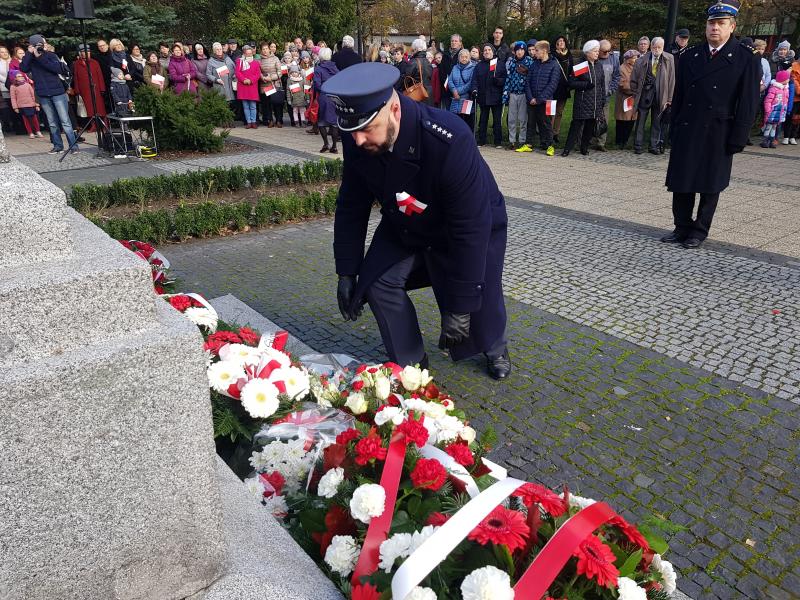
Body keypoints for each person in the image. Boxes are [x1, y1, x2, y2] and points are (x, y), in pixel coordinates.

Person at [323, 62, 511, 379]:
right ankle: (411, 364)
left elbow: (470, 226)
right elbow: (351, 203)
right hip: (410, 221)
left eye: (367, 129)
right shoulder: (359, 135)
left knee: (479, 292)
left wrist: (459, 306)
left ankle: (495, 347)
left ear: (394, 109)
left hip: (468, 225)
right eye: (352, 131)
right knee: (378, 282)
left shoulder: (450, 138)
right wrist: (347, 269)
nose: (356, 141)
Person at [663, 0, 760, 249]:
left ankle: (699, 229)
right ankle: (681, 225)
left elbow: (748, 103)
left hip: (718, 130)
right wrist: (673, 127)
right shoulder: (691, 55)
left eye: (720, 23)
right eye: (711, 23)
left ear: (732, 26)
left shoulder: (745, 59)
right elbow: (681, 95)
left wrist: (739, 137)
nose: (714, 28)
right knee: (682, 180)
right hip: (688, 125)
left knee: (709, 183)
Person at [20, 34, 79, 154]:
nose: (39, 47)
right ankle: (58, 146)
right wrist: (28, 53)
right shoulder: (30, 59)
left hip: (58, 92)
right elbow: (24, 69)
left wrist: (41, 57)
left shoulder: (51, 55)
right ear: (31, 46)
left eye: (41, 45)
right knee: (52, 122)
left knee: (65, 121)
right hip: (43, 94)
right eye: (36, 45)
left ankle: (73, 146)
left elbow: (58, 69)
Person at [630, 37, 675, 154]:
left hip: (661, 95)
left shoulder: (669, 59)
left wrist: (669, 98)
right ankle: (638, 145)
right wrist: (635, 93)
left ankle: (653, 146)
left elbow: (671, 80)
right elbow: (634, 78)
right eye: (654, 47)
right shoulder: (641, 60)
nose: (657, 49)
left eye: (659, 47)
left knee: (657, 121)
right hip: (645, 93)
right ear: (651, 47)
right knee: (641, 120)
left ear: (663, 47)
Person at [561, 40, 605, 157]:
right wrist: (585, 85)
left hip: (595, 102)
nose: (597, 53)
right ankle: (567, 149)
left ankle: (584, 148)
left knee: (590, 127)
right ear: (588, 52)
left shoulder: (599, 65)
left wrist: (602, 100)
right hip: (582, 101)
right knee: (576, 126)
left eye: (597, 51)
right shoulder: (581, 65)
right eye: (595, 51)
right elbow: (571, 82)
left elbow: (601, 84)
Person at [524, 40, 559, 156]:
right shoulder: (534, 64)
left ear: (544, 51)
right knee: (531, 122)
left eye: (536, 50)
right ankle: (528, 144)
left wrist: (539, 99)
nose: (534, 52)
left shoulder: (554, 65)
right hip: (532, 100)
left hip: (546, 101)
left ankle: (549, 145)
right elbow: (528, 81)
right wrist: (530, 98)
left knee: (546, 123)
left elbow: (552, 85)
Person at [472, 44, 506, 147]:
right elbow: (474, 80)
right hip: (483, 97)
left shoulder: (500, 64)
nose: (487, 52)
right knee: (483, 120)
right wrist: (474, 89)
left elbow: (505, 79)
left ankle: (498, 141)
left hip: (496, 97)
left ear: (493, 51)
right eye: (485, 50)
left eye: (489, 50)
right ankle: (481, 140)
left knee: (497, 120)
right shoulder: (479, 65)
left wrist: (498, 81)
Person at [70, 43, 106, 131]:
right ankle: (93, 124)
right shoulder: (77, 64)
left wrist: (102, 88)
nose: (86, 53)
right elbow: (76, 78)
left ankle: (104, 123)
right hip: (84, 90)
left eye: (88, 51)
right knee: (89, 108)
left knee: (99, 107)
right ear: (80, 53)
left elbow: (100, 76)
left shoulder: (95, 62)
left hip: (96, 89)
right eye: (83, 52)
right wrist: (77, 90)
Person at [503, 41, 532, 150]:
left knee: (523, 118)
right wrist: (506, 94)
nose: (519, 52)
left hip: (524, 93)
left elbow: (532, 77)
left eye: (521, 50)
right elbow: (508, 79)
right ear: (514, 52)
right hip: (513, 93)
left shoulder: (529, 61)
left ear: (524, 51)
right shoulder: (512, 62)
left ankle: (522, 140)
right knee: (511, 118)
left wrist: (527, 71)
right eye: (517, 50)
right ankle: (512, 141)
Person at [592, 39, 620, 150]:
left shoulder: (614, 59)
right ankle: (588, 140)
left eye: (609, 51)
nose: (607, 53)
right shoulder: (593, 57)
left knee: (604, 119)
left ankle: (601, 143)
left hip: (606, 96)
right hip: (592, 95)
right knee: (590, 118)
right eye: (604, 51)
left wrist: (611, 90)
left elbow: (617, 77)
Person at [312, 47, 340, 152]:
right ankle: (335, 146)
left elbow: (317, 84)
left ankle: (326, 144)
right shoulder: (336, 68)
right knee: (334, 122)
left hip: (324, 96)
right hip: (335, 96)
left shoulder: (319, 69)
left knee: (321, 122)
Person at [614, 49, 639, 149]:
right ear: (628, 59)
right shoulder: (622, 68)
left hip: (634, 99)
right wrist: (636, 90)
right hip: (624, 99)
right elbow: (622, 84)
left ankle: (626, 140)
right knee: (622, 121)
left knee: (631, 120)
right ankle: (620, 141)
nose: (636, 59)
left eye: (637, 57)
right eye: (634, 58)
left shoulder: (637, 68)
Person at [551, 35, 573, 142]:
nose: (561, 43)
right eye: (559, 41)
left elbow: (572, 70)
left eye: (563, 41)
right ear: (555, 43)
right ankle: (548, 133)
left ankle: (556, 133)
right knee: (550, 112)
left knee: (559, 112)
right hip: (553, 87)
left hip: (564, 88)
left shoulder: (569, 55)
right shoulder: (552, 55)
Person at [448, 48, 476, 130]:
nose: (464, 58)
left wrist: (457, 92)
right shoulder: (455, 68)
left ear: (469, 58)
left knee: (467, 122)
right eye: (462, 57)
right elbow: (450, 80)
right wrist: (454, 91)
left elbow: (470, 83)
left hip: (466, 99)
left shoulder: (473, 68)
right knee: (456, 121)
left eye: (466, 57)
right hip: (455, 99)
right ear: (459, 58)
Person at [761, 69, 789, 147]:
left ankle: (772, 141)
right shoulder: (774, 89)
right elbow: (768, 100)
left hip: (779, 112)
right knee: (769, 126)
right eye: (787, 78)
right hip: (772, 112)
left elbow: (785, 101)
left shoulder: (785, 89)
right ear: (782, 80)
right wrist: (768, 110)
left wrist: (784, 111)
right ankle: (765, 141)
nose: (788, 80)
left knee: (774, 127)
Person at [10, 71, 43, 138]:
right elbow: (13, 98)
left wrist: (37, 104)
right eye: (19, 76)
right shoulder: (13, 86)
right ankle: (30, 132)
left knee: (35, 119)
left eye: (21, 76)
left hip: (31, 104)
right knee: (26, 120)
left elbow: (33, 94)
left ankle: (38, 131)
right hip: (22, 106)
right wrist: (15, 107)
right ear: (15, 78)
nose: (21, 77)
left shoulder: (27, 84)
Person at [400, 38, 433, 104]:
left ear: (416, 49)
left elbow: (406, 79)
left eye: (413, 49)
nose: (412, 51)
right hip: (428, 94)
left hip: (416, 94)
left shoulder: (414, 62)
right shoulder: (428, 61)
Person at [207, 43, 236, 115]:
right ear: (214, 51)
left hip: (229, 85)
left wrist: (235, 75)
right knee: (222, 104)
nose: (219, 51)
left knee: (230, 104)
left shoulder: (227, 58)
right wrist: (216, 80)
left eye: (220, 49)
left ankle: (230, 121)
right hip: (220, 85)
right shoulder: (211, 61)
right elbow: (208, 74)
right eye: (217, 50)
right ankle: (223, 122)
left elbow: (234, 67)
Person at [235, 44, 260, 128]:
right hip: (243, 86)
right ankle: (248, 122)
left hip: (252, 86)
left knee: (253, 106)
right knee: (245, 106)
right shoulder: (239, 61)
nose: (249, 55)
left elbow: (257, 74)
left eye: (250, 53)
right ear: (244, 54)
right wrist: (244, 80)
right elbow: (237, 72)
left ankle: (253, 122)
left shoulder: (256, 63)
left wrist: (250, 80)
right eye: (247, 53)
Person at [259, 42, 282, 127]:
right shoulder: (259, 60)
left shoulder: (275, 58)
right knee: (267, 104)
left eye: (266, 49)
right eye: (263, 49)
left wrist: (271, 78)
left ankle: (279, 120)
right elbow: (258, 71)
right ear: (261, 51)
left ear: (269, 49)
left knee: (277, 103)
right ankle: (270, 120)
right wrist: (262, 77)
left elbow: (279, 72)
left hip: (275, 84)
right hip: (265, 84)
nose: (265, 51)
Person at [438, 34, 463, 104]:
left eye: (456, 41)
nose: (453, 42)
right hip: (446, 88)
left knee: (459, 114)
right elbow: (442, 71)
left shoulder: (463, 55)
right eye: (452, 41)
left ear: (460, 43)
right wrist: (447, 83)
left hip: (459, 89)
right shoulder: (445, 55)